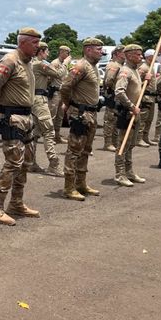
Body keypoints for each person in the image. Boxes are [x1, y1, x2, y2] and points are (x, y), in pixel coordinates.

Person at [0, 27, 42, 224]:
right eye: (34, 43)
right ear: (22, 42)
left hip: (27, 118)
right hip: (12, 118)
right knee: (13, 163)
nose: (38, 46)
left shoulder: (28, 62)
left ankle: (16, 203)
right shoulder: (10, 60)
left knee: (25, 163)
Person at [59, 38, 105, 200]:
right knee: (74, 151)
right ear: (88, 50)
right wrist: (68, 104)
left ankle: (81, 184)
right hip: (80, 113)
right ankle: (69, 187)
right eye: (98, 49)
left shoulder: (93, 67)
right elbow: (65, 86)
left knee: (86, 150)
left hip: (91, 113)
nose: (101, 52)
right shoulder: (81, 66)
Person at [112, 44, 148, 186]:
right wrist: (131, 106)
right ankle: (120, 174)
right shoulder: (125, 71)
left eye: (141, 54)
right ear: (129, 55)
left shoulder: (135, 70)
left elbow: (135, 89)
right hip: (127, 113)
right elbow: (119, 91)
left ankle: (129, 171)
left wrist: (145, 80)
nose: (141, 57)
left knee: (131, 144)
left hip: (135, 112)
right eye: (138, 54)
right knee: (122, 145)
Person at [30, 42, 62, 176]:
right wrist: (64, 63)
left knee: (34, 133)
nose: (48, 54)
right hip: (39, 100)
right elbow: (59, 74)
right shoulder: (39, 64)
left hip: (34, 99)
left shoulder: (32, 64)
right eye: (47, 51)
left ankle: (30, 162)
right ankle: (53, 164)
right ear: (41, 51)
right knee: (49, 131)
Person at [101, 45, 125, 151]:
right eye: (124, 52)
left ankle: (114, 142)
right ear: (118, 53)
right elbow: (109, 81)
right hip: (112, 95)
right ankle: (108, 143)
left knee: (116, 120)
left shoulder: (120, 65)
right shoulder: (114, 65)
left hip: (117, 96)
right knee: (110, 120)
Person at [136, 49, 161, 147]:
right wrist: (145, 82)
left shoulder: (151, 67)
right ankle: (138, 139)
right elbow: (136, 83)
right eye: (154, 55)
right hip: (145, 97)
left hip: (151, 97)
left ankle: (145, 137)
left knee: (149, 119)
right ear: (149, 56)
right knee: (142, 119)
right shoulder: (143, 68)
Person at [49, 45, 72, 143]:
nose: (68, 55)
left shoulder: (65, 64)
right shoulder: (55, 63)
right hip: (55, 92)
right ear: (61, 52)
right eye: (67, 53)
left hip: (62, 92)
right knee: (52, 115)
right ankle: (50, 137)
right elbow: (52, 77)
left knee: (60, 115)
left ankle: (57, 136)